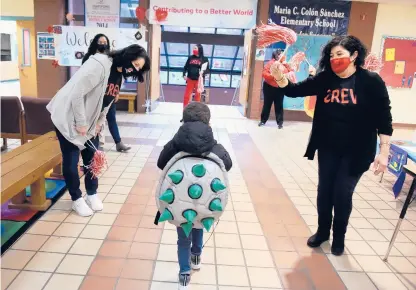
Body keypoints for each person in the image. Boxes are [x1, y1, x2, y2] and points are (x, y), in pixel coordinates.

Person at [270, 35, 393, 256]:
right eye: (332, 55)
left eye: (340, 54)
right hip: (328, 147)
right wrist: (279, 77)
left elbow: (384, 117)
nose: (335, 59)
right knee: (324, 191)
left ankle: (339, 237)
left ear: (354, 55)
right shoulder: (326, 78)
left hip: (357, 151)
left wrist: (384, 152)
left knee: (342, 193)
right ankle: (322, 232)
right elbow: (294, 90)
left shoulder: (371, 81)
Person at [156, 102, 232, 289]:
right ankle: (196, 256)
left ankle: (184, 275)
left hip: (180, 204)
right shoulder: (214, 145)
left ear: (184, 121)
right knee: (199, 223)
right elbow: (228, 164)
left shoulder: (175, 143)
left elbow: (160, 163)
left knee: (184, 235)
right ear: (208, 122)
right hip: (206, 201)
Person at [47, 46, 113, 217]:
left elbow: (107, 102)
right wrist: (81, 123)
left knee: (92, 158)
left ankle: (92, 193)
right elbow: (77, 95)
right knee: (71, 159)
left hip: (90, 123)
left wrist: (99, 122)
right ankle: (76, 199)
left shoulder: (116, 74)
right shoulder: (94, 67)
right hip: (69, 120)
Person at [101, 44, 150, 152]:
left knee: (111, 119)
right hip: (87, 118)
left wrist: (116, 93)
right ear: (129, 57)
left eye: (138, 68)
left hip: (107, 105)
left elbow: (116, 84)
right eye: (136, 64)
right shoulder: (106, 66)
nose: (135, 69)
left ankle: (118, 143)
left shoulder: (120, 73)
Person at [259, 49, 293, 128]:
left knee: (279, 105)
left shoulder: (284, 64)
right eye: (280, 54)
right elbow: (264, 73)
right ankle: (263, 121)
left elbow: (290, 72)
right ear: (276, 55)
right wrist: (274, 76)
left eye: (283, 54)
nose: (282, 56)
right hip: (269, 87)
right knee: (267, 104)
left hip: (280, 88)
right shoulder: (271, 63)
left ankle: (280, 123)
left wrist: (286, 65)